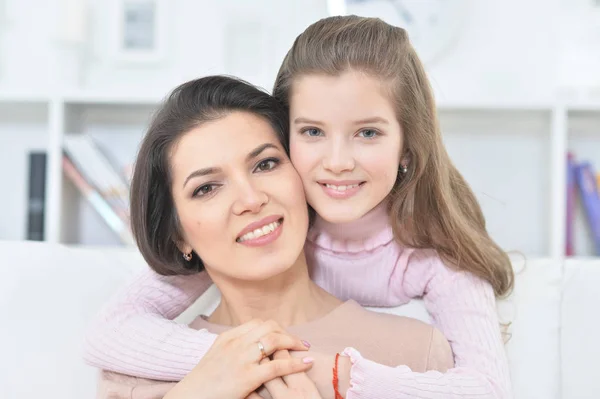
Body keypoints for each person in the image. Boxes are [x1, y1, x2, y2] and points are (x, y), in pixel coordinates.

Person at [84, 16, 514, 399]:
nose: (338, 162)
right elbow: (111, 328)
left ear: (408, 147)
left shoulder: (423, 315)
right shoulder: (138, 370)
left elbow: (487, 389)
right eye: (207, 188)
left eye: (265, 164)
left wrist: (332, 374)